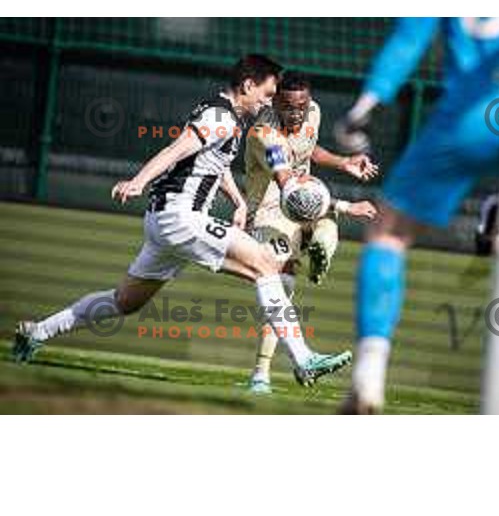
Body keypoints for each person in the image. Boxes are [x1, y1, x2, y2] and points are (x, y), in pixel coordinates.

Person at [13, 54, 351, 387]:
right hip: (180, 217)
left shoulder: (226, 119)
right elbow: (176, 150)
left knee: (125, 301)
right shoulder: (220, 118)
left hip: (164, 221)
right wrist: (139, 181)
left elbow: (212, 165)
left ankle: (38, 331)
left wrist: (237, 202)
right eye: (266, 94)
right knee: (266, 265)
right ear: (248, 85)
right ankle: (303, 358)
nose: (268, 102)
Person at [335, 18, 499, 413]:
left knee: (388, 233)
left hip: (471, 113)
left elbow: (410, 39)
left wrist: (367, 103)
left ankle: (369, 377)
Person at [243, 70, 378, 393]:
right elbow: (288, 185)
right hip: (269, 209)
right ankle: (261, 375)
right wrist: (346, 206)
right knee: (283, 286)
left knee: (326, 230)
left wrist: (343, 162)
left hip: (302, 196)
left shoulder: (313, 112)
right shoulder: (264, 132)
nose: (296, 113)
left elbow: (308, 149)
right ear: (276, 101)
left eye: (301, 106)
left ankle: (319, 255)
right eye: (288, 107)